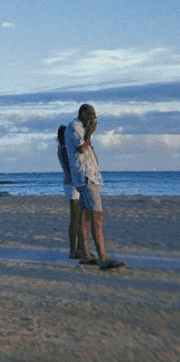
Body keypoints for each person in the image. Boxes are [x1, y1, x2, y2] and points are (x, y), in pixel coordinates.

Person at [64, 103, 125, 270]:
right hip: (86, 177)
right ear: (83, 113)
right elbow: (81, 148)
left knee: (84, 217)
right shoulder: (75, 127)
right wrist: (90, 133)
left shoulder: (79, 128)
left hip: (87, 178)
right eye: (91, 115)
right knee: (96, 216)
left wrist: (89, 134)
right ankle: (103, 258)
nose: (93, 119)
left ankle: (86, 254)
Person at [57, 125, 83, 259]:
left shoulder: (63, 148)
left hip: (73, 184)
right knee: (75, 219)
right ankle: (73, 250)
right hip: (71, 185)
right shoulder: (63, 149)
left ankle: (77, 248)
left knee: (77, 218)